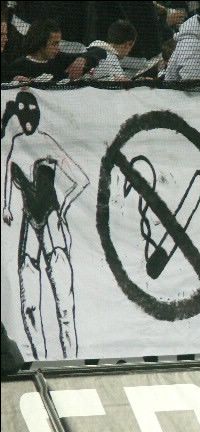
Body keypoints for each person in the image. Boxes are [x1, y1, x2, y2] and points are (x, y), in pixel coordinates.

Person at [2, 92, 89, 359]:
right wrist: (6, 206)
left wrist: (64, 207)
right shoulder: (16, 144)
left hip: (51, 221)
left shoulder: (46, 142)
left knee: (64, 301)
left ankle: (70, 360)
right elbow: (8, 175)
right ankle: (39, 359)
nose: (27, 118)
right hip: (30, 222)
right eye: (22, 112)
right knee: (30, 304)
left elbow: (81, 179)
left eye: (31, 111)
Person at [3, 19, 104, 83]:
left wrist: (83, 59)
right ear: (40, 42)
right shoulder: (19, 66)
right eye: (54, 44)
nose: (58, 48)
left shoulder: (61, 59)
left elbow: (100, 51)